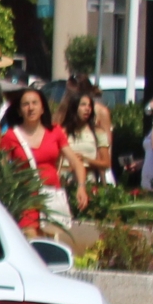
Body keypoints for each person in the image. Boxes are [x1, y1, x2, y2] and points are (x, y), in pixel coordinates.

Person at [0, 85, 68, 230]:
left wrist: (81, 187)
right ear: (19, 111)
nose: (31, 108)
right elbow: (1, 168)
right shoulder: (10, 136)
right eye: (26, 104)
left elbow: (74, 161)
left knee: (50, 241)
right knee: (31, 238)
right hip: (26, 199)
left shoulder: (55, 132)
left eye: (35, 103)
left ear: (43, 109)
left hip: (51, 197)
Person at [55, 84, 112, 215]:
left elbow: (106, 163)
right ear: (74, 108)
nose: (87, 109)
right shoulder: (62, 131)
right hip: (65, 179)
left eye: (89, 106)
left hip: (88, 181)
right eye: (83, 105)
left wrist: (86, 159)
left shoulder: (98, 133)